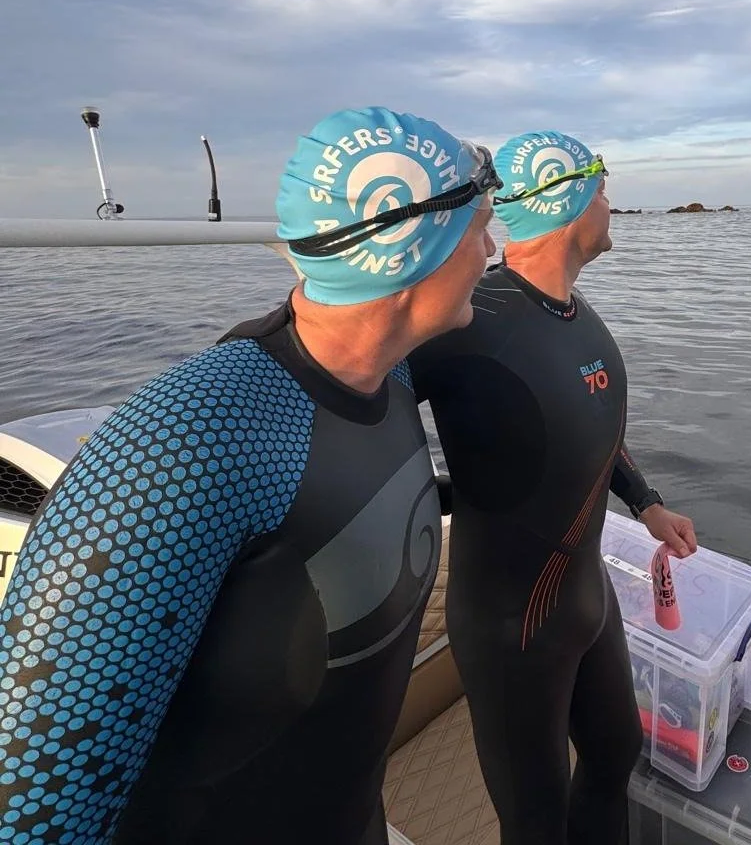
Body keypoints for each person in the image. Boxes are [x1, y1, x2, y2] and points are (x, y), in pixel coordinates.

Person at [0, 108, 499, 845]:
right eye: (482, 226)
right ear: (408, 245)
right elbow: (34, 795)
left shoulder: (386, 375)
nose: (493, 253)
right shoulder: (189, 441)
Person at [408, 129, 698, 845]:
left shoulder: (576, 315)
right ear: (567, 203)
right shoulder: (472, 319)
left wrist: (647, 501)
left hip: (584, 594)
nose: (610, 204)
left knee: (615, 753)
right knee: (533, 820)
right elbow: (357, 395)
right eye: (601, 189)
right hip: (511, 621)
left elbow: (593, 426)